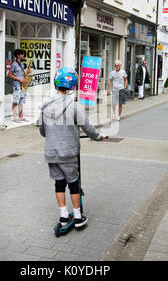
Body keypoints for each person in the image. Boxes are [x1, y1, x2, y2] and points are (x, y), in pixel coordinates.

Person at [37, 67, 107, 228]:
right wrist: (99, 136)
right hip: (68, 152)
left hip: (51, 151)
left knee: (59, 183)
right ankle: (77, 216)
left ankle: (63, 216)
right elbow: (88, 128)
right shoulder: (75, 107)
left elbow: (42, 130)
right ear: (73, 85)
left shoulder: (46, 107)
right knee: (73, 182)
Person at [7, 49, 28, 123]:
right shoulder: (14, 64)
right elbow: (9, 74)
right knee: (16, 100)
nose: (23, 55)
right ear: (18, 55)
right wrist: (19, 79)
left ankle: (21, 116)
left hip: (22, 85)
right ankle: (15, 117)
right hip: (17, 85)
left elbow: (21, 73)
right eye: (22, 54)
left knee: (21, 100)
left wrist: (27, 73)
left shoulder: (21, 64)